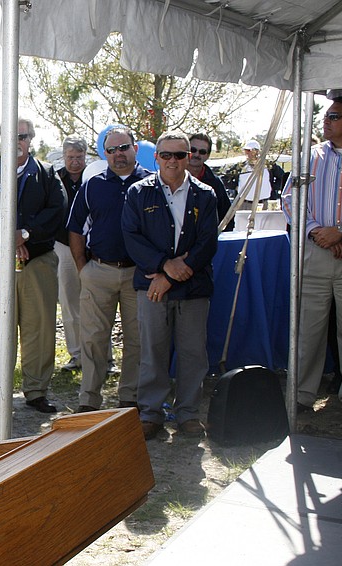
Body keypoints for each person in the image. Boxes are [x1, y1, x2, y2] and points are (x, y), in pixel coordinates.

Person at [122, 132, 219, 440]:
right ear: (156, 158)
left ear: (189, 156)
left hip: (192, 287)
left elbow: (208, 242)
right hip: (152, 286)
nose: (173, 162)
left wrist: (173, 274)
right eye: (167, 155)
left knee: (193, 353)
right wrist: (164, 265)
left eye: (180, 155)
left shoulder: (206, 194)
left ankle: (188, 414)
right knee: (152, 352)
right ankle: (151, 414)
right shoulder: (138, 193)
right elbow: (131, 237)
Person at [0, 118, 66, 414]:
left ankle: (36, 390)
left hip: (37, 263)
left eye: (22, 136)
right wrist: (9, 238)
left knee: (39, 327)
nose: (17, 141)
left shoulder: (47, 174)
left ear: (31, 139)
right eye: (11, 135)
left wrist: (26, 234)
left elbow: (57, 210)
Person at [67, 126, 151, 413]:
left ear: (135, 148)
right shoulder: (93, 184)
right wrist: (83, 268)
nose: (118, 154)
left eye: (124, 147)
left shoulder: (151, 184)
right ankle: (89, 400)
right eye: (112, 150)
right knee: (93, 340)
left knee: (137, 339)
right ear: (105, 154)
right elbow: (76, 229)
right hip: (99, 271)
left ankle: (130, 397)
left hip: (138, 275)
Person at [282, 98, 342, 411]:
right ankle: (302, 396)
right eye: (325, 115)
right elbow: (290, 201)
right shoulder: (310, 158)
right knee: (308, 329)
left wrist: (341, 231)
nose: (325, 121)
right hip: (316, 251)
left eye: (333, 116)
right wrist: (317, 231)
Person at [53, 137, 87, 371]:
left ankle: (103, 356)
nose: (74, 162)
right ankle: (76, 354)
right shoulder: (54, 179)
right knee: (69, 302)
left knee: (97, 305)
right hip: (63, 247)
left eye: (79, 157)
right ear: (64, 157)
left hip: (93, 250)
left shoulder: (95, 178)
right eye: (70, 157)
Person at [187, 132, 235, 231]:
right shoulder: (173, 177)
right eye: (193, 150)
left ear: (207, 156)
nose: (196, 154)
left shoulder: (215, 183)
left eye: (202, 152)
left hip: (206, 242)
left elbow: (227, 216)